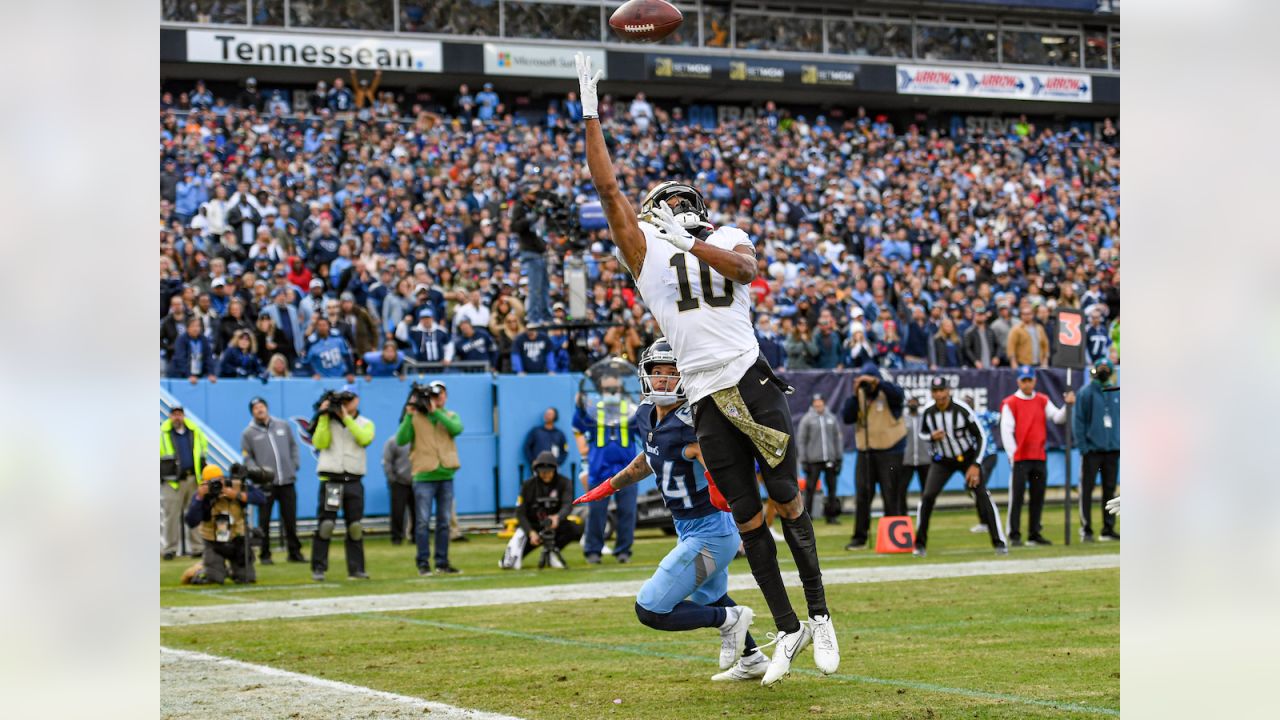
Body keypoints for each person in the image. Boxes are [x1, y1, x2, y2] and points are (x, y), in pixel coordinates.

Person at [576, 52, 837, 685]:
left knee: (789, 505)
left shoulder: (728, 235)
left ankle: (822, 615)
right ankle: (787, 628)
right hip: (705, 396)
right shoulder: (646, 262)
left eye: (668, 207)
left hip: (749, 375)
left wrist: (690, 240)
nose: (659, 215)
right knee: (748, 522)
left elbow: (747, 273)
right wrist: (589, 112)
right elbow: (608, 190)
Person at [573, 340, 767, 681]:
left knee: (650, 609)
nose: (663, 380)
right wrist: (607, 487)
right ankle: (753, 659)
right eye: (657, 372)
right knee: (712, 594)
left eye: (672, 372)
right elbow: (647, 460)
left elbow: (714, 461)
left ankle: (731, 620)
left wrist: (720, 486)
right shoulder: (645, 415)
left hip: (711, 533)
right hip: (690, 527)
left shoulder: (694, 422)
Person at [913, 377, 1008, 557]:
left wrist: (975, 465)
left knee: (982, 494)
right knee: (927, 497)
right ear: (932, 393)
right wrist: (932, 437)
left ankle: (999, 542)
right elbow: (922, 434)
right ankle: (919, 544)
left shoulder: (962, 410)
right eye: (935, 391)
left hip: (966, 458)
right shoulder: (928, 412)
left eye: (942, 390)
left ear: (948, 391)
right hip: (942, 461)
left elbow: (981, 436)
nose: (939, 395)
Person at [1000, 366, 1074, 546]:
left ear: (1034, 381)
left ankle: (1034, 533)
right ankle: (1014, 533)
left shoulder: (1042, 400)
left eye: (1029, 380)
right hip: (1020, 458)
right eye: (1024, 380)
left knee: (1037, 497)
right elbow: (1006, 431)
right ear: (1018, 381)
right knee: (1017, 498)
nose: (1027, 384)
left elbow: (1058, 417)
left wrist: (1067, 405)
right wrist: (1012, 455)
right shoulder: (1010, 403)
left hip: (1039, 456)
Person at [397, 381, 464, 575]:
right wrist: (409, 414)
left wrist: (435, 412)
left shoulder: (450, 415)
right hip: (424, 475)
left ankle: (442, 562)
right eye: (434, 395)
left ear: (446, 396)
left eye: (441, 394)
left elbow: (456, 429)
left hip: (446, 474)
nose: (438, 398)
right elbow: (401, 439)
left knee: (444, 521)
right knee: (422, 522)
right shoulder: (416, 417)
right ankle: (423, 563)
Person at [572, 373, 639, 564]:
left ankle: (623, 551)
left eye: (614, 389)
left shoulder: (630, 411)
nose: (611, 392)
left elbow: (646, 429)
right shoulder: (593, 411)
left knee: (627, 512)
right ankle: (593, 550)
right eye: (607, 389)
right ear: (601, 390)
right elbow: (577, 426)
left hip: (627, 472)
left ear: (620, 390)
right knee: (596, 513)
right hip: (599, 470)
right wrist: (579, 406)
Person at [311, 387, 375, 581]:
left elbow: (364, 439)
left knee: (355, 526)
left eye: (350, 399)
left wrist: (347, 418)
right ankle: (318, 568)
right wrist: (323, 415)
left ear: (357, 400)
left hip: (354, 481)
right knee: (326, 525)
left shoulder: (366, 423)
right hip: (332, 481)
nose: (346, 403)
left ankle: (356, 569)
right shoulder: (327, 422)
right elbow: (320, 443)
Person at [840, 362, 907, 550]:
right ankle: (859, 538)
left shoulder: (889, 393)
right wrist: (855, 394)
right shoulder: (858, 396)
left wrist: (878, 382)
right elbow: (847, 417)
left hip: (891, 451)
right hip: (866, 453)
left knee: (891, 494)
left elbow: (899, 396)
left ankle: (896, 536)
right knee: (862, 496)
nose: (867, 386)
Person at [241, 397, 305, 565]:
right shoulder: (248, 433)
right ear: (252, 412)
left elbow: (293, 446)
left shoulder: (282, 425)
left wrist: (294, 464)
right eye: (256, 408)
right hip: (266, 484)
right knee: (264, 521)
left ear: (267, 408)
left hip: (287, 481)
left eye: (262, 406)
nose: (259, 410)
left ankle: (294, 552)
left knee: (290, 520)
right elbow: (247, 458)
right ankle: (265, 554)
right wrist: (258, 474)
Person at [183, 465, 267, 584]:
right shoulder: (201, 494)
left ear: (223, 478)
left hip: (237, 539)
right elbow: (191, 521)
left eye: (219, 480)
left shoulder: (235, 486)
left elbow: (261, 499)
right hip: (214, 542)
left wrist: (236, 495)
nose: (216, 485)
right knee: (214, 579)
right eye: (211, 482)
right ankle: (201, 570)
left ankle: (230, 571)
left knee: (247, 579)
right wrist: (200, 498)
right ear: (204, 483)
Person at [501, 450, 583, 569]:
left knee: (574, 528)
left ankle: (552, 554)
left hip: (554, 525)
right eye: (542, 472)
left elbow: (568, 505)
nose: (546, 474)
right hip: (532, 527)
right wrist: (530, 532)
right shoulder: (527, 485)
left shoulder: (565, 483)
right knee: (508, 564)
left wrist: (557, 517)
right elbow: (520, 513)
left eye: (549, 471)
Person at [1073, 358, 1120, 542]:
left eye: (1105, 368)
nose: (1103, 371)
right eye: (1099, 368)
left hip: (1112, 450)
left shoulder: (1117, 392)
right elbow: (1079, 421)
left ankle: (1108, 528)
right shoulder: (1086, 393)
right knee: (1087, 489)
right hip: (1092, 451)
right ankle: (1086, 528)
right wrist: (1084, 447)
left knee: (1110, 490)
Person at [160, 405, 208, 560]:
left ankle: (197, 547)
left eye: (179, 414)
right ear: (169, 417)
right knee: (171, 515)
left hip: (193, 478)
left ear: (184, 416)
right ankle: (170, 549)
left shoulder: (195, 432)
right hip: (172, 481)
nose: (177, 417)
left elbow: (203, 451)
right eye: (174, 414)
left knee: (194, 513)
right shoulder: (162, 434)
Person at [796, 394, 844, 525]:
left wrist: (838, 458)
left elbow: (837, 439)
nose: (818, 406)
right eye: (816, 404)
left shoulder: (831, 418)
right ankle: (808, 516)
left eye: (820, 404)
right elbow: (802, 441)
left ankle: (831, 516)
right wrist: (804, 460)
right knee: (810, 489)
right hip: (813, 460)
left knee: (832, 489)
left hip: (830, 459)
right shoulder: (807, 419)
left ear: (824, 404)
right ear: (812, 405)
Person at [382, 407, 416, 546]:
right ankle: (396, 537)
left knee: (418, 512)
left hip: (418, 481)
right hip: (399, 482)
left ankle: (416, 536)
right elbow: (387, 461)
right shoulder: (393, 441)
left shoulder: (418, 439)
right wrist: (392, 478)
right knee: (397, 512)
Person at [167, 316, 217, 383]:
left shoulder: (204, 340)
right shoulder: (181, 340)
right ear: (187, 328)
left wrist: (211, 373)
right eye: (193, 326)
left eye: (198, 326)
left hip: (197, 374)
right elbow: (181, 359)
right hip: (180, 375)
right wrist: (189, 375)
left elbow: (208, 358)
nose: (195, 329)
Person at [899, 396, 931, 499]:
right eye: (910, 402)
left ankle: (924, 512)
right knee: (901, 488)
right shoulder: (903, 419)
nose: (912, 404)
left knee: (926, 490)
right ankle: (902, 513)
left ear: (918, 404)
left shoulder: (925, 418)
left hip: (924, 459)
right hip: (907, 460)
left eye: (914, 402)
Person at [1006, 301, 1050, 368]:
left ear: (1032, 315)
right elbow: (1011, 347)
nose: (1027, 316)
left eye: (1029, 314)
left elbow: (1045, 344)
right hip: (1023, 364)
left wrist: (1045, 360)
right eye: (1024, 314)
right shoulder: (1016, 329)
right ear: (1021, 315)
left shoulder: (1039, 328)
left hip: (1039, 364)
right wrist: (1013, 363)